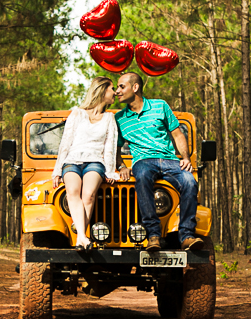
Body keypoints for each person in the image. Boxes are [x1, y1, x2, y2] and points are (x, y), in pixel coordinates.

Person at [113, 72, 202, 253]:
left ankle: (186, 236)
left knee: (190, 182)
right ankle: (153, 235)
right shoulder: (119, 118)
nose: (117, 91)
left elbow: (177, 134)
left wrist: (185, 158)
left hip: (170, 160)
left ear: (135, 87)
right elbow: (115, 148)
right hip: (143, 161)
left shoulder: (160, 106)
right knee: (143, 176)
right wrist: (122, 165)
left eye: (121, 86)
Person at [52, 77, 120, 250]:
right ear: (103, 90)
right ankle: (82, 237)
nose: (115, 92)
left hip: (95, 161)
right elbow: (65, 143)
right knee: (73, 192)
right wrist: (57, 170)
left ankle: (80, 238)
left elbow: (110, 147)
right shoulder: (77, 113)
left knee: (88, 195)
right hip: (72, 160)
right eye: (113, 89)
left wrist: (110, 171)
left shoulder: (109, 118)